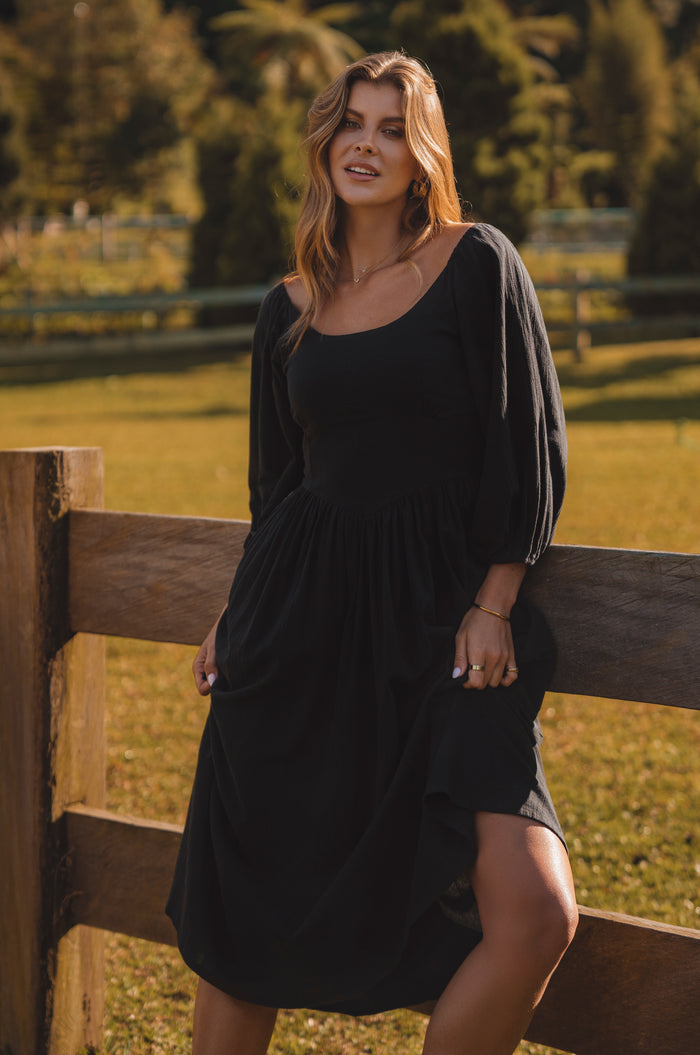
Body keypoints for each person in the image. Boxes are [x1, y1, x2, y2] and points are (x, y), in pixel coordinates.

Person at [167, 51, 578, 1055]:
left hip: (447, 636)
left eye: (393, 127)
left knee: (533, 910)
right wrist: (238, 608)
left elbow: (529, 445)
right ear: (326, 136)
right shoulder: (287, 306)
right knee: (247, 916)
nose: (367, 142)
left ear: (421, 147)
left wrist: (493, 598)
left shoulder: (477, 262)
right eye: (354, 121)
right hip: (296, 636)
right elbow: (277, 493)